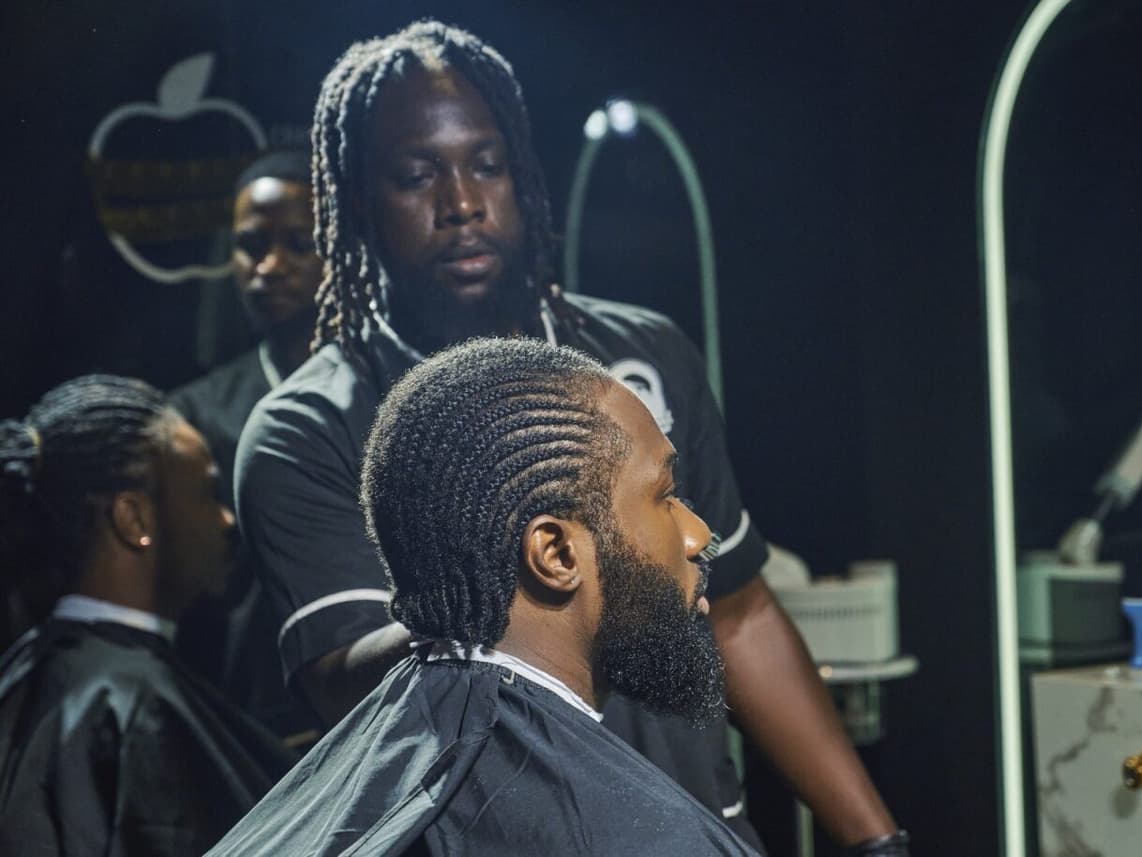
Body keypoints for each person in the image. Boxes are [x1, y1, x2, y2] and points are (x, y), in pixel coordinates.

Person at [235, 20, 908, 855]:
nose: (462, 203)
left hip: (691, 826)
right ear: (361, 198)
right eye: (417, 175)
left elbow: (737, 612)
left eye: (487, 164)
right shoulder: (308, 426)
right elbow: (344, 686)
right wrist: (499, 591)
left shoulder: (640, 355)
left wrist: (877, 841)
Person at [211, 337, 759, 855]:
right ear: (556, 553)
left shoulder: (318, 804)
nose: (698, 534)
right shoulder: (654, 841)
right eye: (664, 496)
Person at [0, 375, 295, 857]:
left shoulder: (27, 672)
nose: (226, 520)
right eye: (208, 493)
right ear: (134, 518)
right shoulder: (130, 708)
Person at [171, 150, 323, 743]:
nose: (270, 266)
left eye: (298, 243)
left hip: (374, 714)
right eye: (252, 245)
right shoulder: (194, 416)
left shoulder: (391, 396)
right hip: (241, 725)